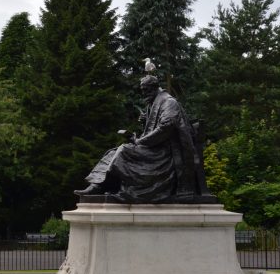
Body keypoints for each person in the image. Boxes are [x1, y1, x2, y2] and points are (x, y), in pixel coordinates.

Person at [74, 74, 211, 203]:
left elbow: (166, 128)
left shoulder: (169, 102)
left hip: (165, 154)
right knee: (112, 152)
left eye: (146, 90)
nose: (144, 93)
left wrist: (140, 141)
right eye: (142, 90)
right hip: (153, 148)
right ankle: (96, 186)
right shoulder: (153, 103)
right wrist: (143, 124)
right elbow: (154, 128)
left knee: (123, 151)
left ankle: (120, 189)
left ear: (154, 88)